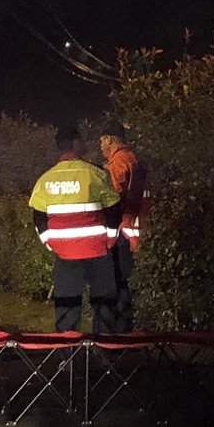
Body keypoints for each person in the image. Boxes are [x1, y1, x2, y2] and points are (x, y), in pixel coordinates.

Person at [29, 123, 121, 333]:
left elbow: (38, 215)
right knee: (104, 304)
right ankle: (103, 355)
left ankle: (67, 358)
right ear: (75, 144)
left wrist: (49, 243)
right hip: (97, 250)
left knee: (66, 306)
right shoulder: (94, 174)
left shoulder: (46, 179)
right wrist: (111, 237)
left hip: (65, 253)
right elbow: (114, 208)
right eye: (82, 139)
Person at [98, 126, 149, 333]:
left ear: (109, 139)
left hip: (120, 232)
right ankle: (124, 336)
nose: (100, 146)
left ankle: (113, 339)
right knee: (123, 286)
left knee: (114, 287)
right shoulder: (134, 159)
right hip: (130, 230)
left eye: (101, 141)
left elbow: (113, 193)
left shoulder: (120, 162)